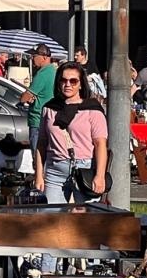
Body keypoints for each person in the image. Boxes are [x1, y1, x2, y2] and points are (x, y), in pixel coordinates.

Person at [34, 61, 109, 204]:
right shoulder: (49, 108)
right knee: (52, 218)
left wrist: (100, 176)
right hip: (54, 170)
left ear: (81, 84)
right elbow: (41, 143)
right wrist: (38, 174)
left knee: (86, 219)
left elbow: (100, 144)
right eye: (63, 80)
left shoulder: (92, 109)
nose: (67, 84)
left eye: (73, 81)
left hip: (84, 168)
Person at [18, 43, 58, 139]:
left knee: (37, 152)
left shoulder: (42, 74)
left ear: (44, 57)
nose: (32, 58)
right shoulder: (53, 71)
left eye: (34, 56)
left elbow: (25, 98)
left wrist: (23, 98)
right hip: (50, 117)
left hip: (38, 119)